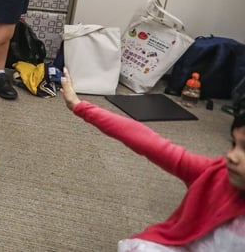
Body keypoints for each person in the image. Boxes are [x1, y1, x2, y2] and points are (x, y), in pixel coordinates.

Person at [60, 69, 245, 251]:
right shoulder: (216, 174)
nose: (231, 155)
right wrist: (79, 106)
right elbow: (147, 141)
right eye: (233, 144)